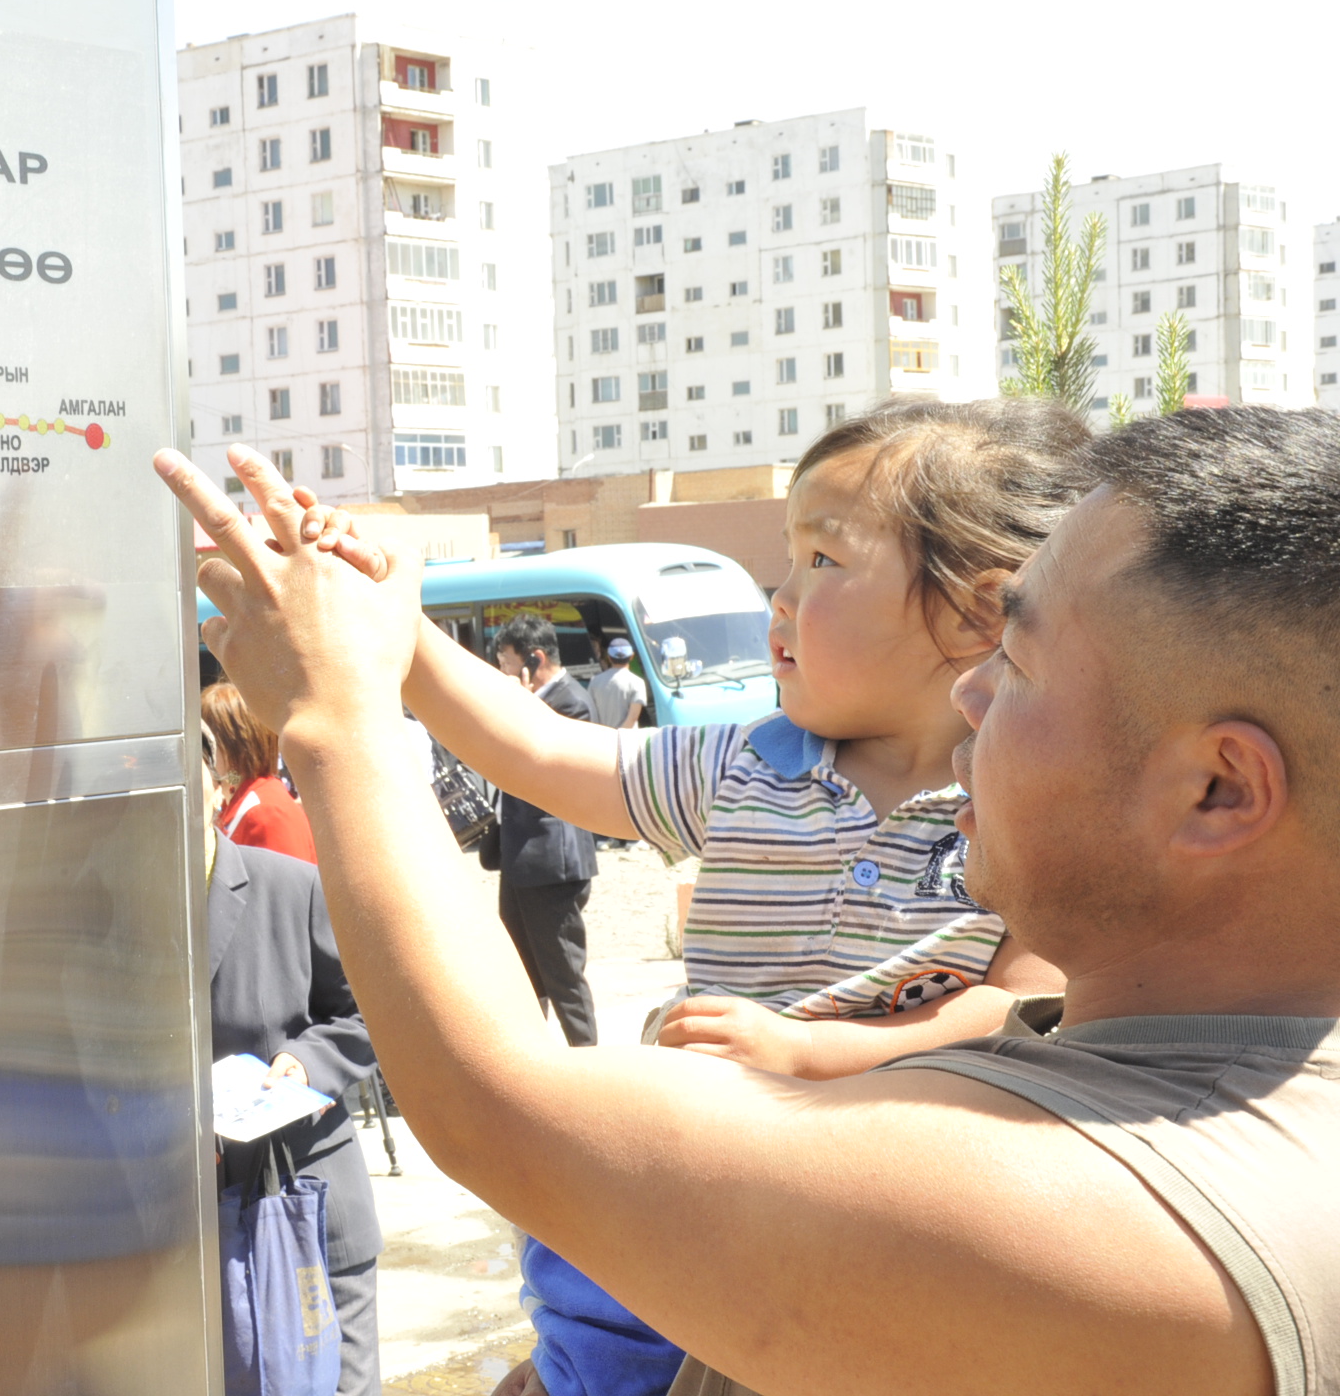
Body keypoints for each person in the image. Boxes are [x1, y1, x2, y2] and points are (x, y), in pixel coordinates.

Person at [156, 405, 1340, 1396]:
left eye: (1017, 665)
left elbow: (506, 1116)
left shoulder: (1120, 1211)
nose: (972, 695)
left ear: (1216, 788)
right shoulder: (1183, 1084)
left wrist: (337, 711)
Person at [201, 742, 384, 1396]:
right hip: (197, 1223)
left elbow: (368, 1012)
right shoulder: (121, 908)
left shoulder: (291, 886)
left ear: (217, 788)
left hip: (304, 1197)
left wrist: (306, 1063)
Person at [491, 613, 600, 1047]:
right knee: (519, 970)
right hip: (521, 859)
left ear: (533, 660)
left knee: (562, 973)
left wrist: (519, 704)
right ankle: (531, 1060)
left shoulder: (572, 701)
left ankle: (589, 1062)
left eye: (505, 661)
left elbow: (542, 761)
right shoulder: (538, 698)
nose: (501, 671)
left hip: (554, 862)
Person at [204, 679, 317, 863]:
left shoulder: (268, 812)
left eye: (208, 742)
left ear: (233, 743)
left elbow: (284, 887)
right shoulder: (240, 796)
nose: (201, 753)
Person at [587, 637, 647, 731]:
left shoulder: (595, 681)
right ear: (632, 656)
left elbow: (590, 712)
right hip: (627, 740)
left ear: (609, 657)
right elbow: (633, 717)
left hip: (601, 738)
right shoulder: (637, 682)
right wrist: (617, 737)